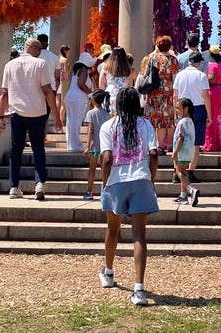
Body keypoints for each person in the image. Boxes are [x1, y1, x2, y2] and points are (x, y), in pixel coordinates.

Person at [97, 86, 159, 307]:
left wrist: (104, 182)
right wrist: (151, 179)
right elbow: (153, 153)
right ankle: (139, 289)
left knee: (112, 229)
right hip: (141, 179)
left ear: (118, 104)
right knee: (139, 235)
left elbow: (106, 158)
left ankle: (109, 272)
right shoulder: (146, 125)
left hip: (115, 181)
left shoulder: (108, 126)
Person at [0, 37, 58, 201]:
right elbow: (48, 91)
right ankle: (39, 184)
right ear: (36, 49)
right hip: (37, 112)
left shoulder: (10, 65)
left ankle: (14, 186)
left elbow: (4, 93)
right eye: (39, 50)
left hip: (17, 112)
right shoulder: (40, 64)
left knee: (16, 150)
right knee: (38, 149)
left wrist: (0, 117)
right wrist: (56, 116)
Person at [172, 51, 211, 182]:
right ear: (199, 63)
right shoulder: (201, 76)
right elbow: (206, 95)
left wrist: (175, 112)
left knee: (179, 139)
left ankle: (176, 171)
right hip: (198, 108)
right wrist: (209, 114)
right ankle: (190, 171)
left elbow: (174, 95)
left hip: (182, 107)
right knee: (196, 143)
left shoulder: (179, 75)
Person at [142, 35, 178, 153]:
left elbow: (145, 74)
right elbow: (175, 78)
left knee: (157, 121)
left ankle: (160, 145)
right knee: (168, 120)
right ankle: (171, 145)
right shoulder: (173, 60)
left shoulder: (152, 58)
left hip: (154, 92)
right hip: (168, 92)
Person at [64, 54, 97, 153]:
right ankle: (75, 145)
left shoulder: (76, 71)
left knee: (70, 121)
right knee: (75, 121)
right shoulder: (83, 71)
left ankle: (71, 144)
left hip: (70, 96)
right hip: (77, 98)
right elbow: (81, 84)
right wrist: (90, 93)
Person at [170, 98, 200, 206]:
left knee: (179, 172)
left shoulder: (182, 122)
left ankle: (191, 190)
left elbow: (180, 138)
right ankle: (183, 196)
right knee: (184, 172)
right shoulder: (191, 122)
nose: (176, 111)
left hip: (181, 152)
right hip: (189, 152)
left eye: (178, 108)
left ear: (186, 109)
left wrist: (175, 152)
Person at [82, 89, 110, 200]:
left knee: (92, 169)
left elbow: (90, 130)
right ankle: (105, 191)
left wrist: (87, 146)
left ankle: (89, 191)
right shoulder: (107, 114)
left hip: (94, 146)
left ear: (94, 100)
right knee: (105, 170)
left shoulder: (91, 113)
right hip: (104, 145)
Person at [203, 45, 221, 152]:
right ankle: (217, 145)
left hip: (213, 91)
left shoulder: (212, 65)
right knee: (215, 118)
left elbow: (212, 79)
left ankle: (210, 146)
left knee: (209, 119)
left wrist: (202, 82)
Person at [100, 47, 133, 116]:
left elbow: (101, 85)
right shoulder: (128, 69)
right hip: (123, 96)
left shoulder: (106, 68)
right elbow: (130, 85)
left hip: (110, 95)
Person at [56, 44, 71, 133]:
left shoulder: (57, 59)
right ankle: (60, 123)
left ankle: (57, 121)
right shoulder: (65, 60)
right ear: (66, 51)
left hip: (57, 82)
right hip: (64, 82)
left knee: (57, 102)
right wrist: (69, 69)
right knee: (63, 104)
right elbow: (66, 74)